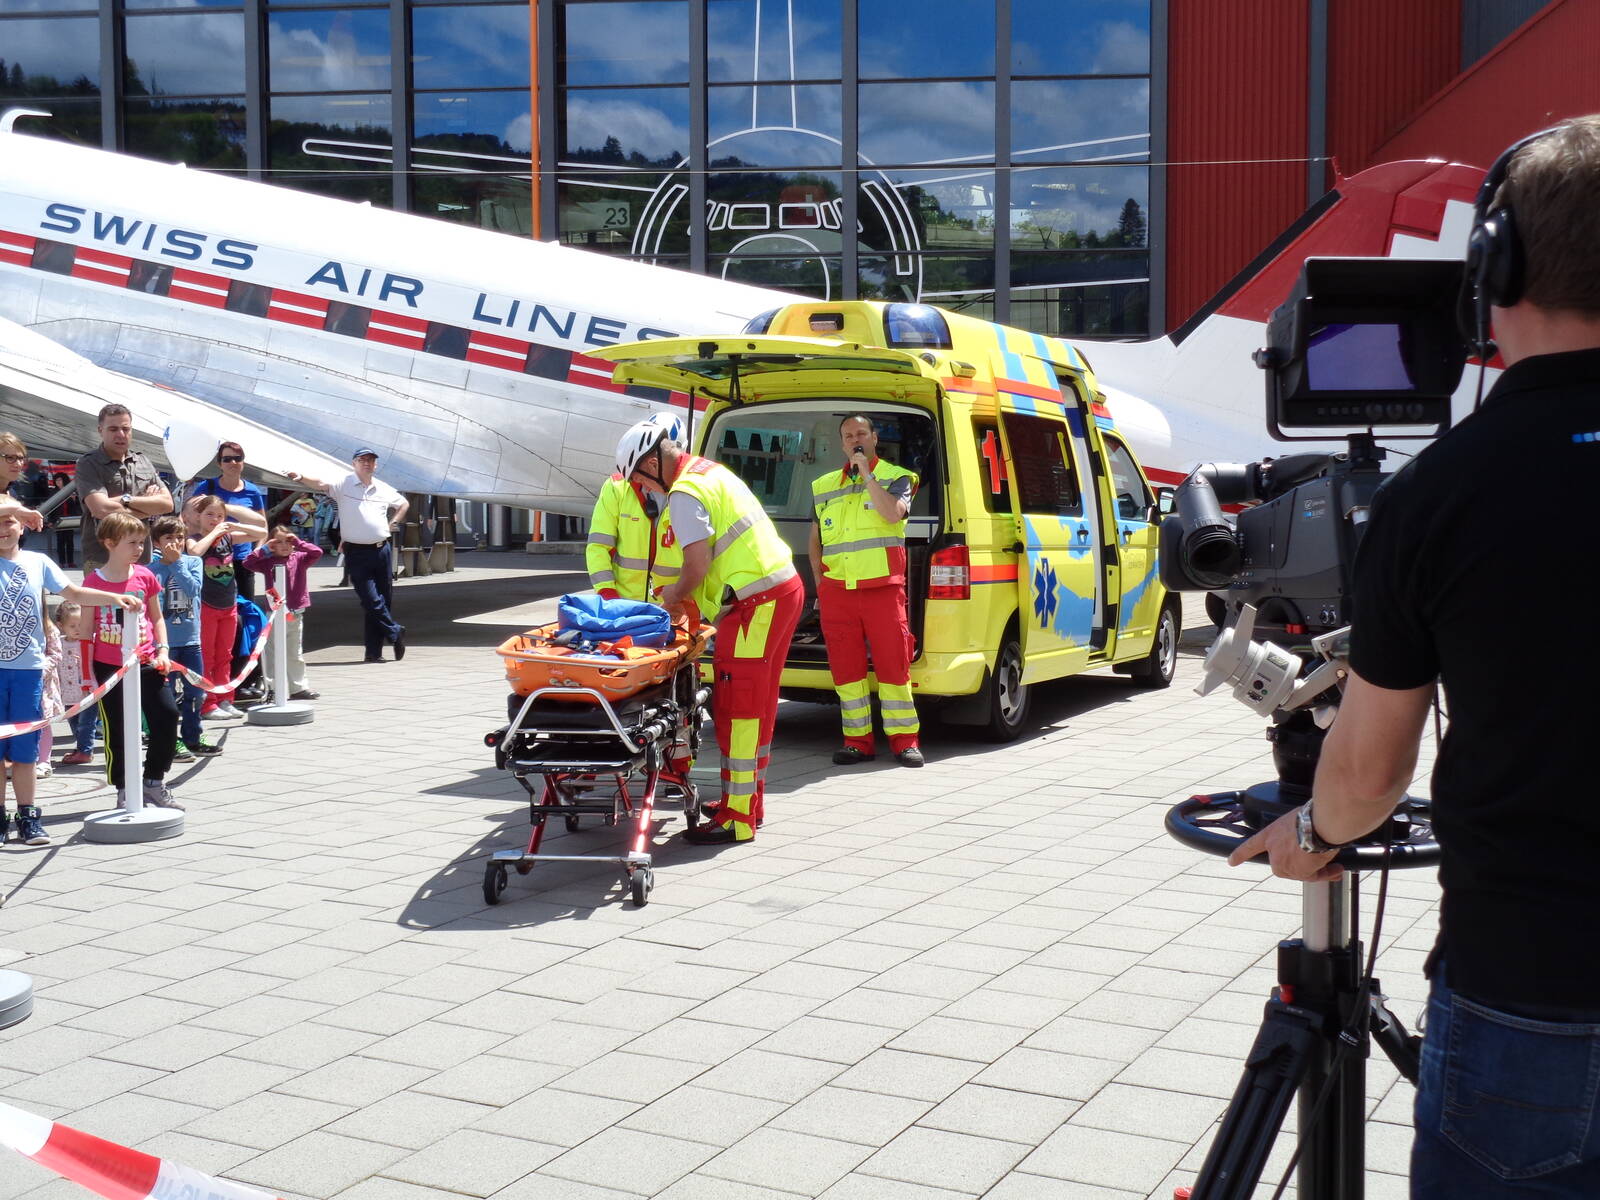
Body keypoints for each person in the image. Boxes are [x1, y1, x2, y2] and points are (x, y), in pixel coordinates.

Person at [1226, 116, 1600, 1198]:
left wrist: (1310, 832)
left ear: (1495, 265)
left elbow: (1370, 773)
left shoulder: (1442, 491)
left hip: (1533, 986)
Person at [616, 418, 802, 847]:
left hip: (756, 603)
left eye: (641, 481)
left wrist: (672, 599)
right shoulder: (708, 471)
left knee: (738, 707)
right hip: (778, 591)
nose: (645, 490)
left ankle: (737, 818)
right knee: (759, 704)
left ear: (649, 463)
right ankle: (749, 802)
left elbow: (696, 567)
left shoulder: (683, 493)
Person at [1, 498, 142, 845]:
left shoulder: (38, 561)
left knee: (25, 751)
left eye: (10, 522)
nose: (4, 529)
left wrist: (112, 598)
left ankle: (29, 816)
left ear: (22, 526)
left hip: (29, 670)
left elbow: (74, 591)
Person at [808, 415, 923, 768]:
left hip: (883, 590)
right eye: (848, 435)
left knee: (893, 666)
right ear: (841, 443)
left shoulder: (897, 477)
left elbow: (892, 515)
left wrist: (868, 475)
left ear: (874, 437)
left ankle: (905, 741)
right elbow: (815, 541)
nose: (854, 438)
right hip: (838, 592)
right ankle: (857, 741)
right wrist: (822, 586)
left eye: (861, 433)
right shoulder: (824, 485)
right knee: (846, 670)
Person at [82, 510, 183, 811]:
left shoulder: (145, 576)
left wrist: (163, 650)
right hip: (109, 666)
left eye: (141, 542)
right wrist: (88, 674)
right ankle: (125, 787)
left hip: (148, 661)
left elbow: (157, 617)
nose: (139, 549)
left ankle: (153, 780)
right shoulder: (93, 581)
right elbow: (87, 631)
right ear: (110, 543)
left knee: (166, 715)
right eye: (132, 543)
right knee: (118, 729)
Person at [286, 450, 407, 663]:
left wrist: (393, 521)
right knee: (370, 599)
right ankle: (395, 631)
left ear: (375, 465)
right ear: (354, 464)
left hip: (381, 549)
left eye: (370, 460)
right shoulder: (344, 484)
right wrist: (301, 477)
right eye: (362, 460)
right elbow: (320, 484)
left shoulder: (383, 488)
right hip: (357, 551)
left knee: (383, 600)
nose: (366, 464)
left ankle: (373, 651)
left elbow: (403, 503)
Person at [586, 413, 684, 602]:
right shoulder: (616, 488)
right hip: (624, 605)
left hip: (673, 607)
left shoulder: (688, 492)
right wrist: (607, 594)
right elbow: (598, 547)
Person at [184, 494, 261, 720]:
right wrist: (216, 532)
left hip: (229, 604)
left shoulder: (228, 536)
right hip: (206, 604)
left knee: (225, 655)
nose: (215, 519)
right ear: (197, 516)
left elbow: (261, 532)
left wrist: (229, 522)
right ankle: (207, 704)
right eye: (209, 514)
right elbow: (195, 552)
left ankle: (226, 699)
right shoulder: (194, 537)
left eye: (219, 516)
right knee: (207, 655)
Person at [150, 516, 216, 759]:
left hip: (190, 641)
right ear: (157, 542)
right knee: (165, 698)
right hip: (164, 644)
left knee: (195, 692)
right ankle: (170, 741)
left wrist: (177, 564)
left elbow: (193, 590)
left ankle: (193, 736)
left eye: (179, 538)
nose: (175, 543)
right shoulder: (151, 570)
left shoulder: (192, 563)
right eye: (168, 538)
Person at [75, 404, 171, 571]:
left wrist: (125, 500)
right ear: (100, 430)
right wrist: (148, 508)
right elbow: (101, 509)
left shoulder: (143, 462)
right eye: (113, 429)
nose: (120, 434)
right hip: (103, 559)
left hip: (141, 558)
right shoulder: (88, 463)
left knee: (142, 598)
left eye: (125, 429)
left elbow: (167, 504)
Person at [244, 524, 324, 700]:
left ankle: (298, 688)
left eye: (288, 541)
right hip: (273, 613)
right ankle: (272, 688)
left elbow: (317, 552)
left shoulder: (300, 558)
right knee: (272, 651)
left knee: (294, 652)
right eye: (279, 542)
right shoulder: (267, 561)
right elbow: (247, 562)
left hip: (294, 613)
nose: (284, 545)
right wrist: (264, 548)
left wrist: (298, 542)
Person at [188, 442, 267, 602]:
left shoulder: (252, 491)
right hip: (210, 559)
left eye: (237, 458)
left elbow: (262, 525)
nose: (233, 463)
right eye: (227, 459)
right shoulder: (206, 487)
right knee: (211, 608)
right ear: (219, 464)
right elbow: (188, 518)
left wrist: (257, 551)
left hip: (242, 558)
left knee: (245, 609)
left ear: (243, 462)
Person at [52, 600, 99, 768]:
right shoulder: (59, 643)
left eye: (81, 624)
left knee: (86, 722)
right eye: (72, 626)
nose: (78, 629)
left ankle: (85, 751)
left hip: (87, 691)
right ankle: (81, 748)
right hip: (67, 691)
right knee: (74, 721)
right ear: (61, 625)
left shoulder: (89, 642)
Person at [1, 432, 47, 547]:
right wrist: (15, 510)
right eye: (10, 458)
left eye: (21, 458)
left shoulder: (12, 493)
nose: (18, 464)